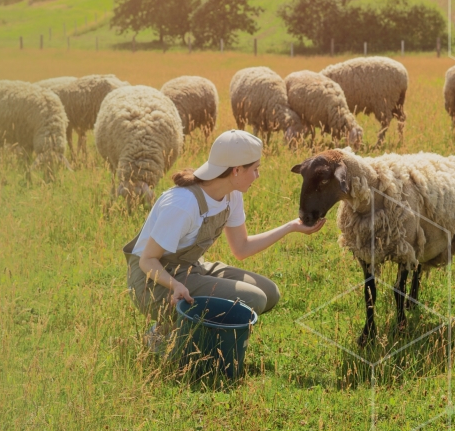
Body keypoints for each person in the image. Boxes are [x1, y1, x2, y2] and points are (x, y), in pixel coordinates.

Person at [123, 129, 324, 354]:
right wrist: (176, 285)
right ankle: (169, 337)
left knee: (269, 292)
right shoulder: (183, 204)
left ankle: (195, 334)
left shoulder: (231, 195)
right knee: (253, 299)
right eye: (255, 169)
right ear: (236, 170)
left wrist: (291, 227)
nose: (258, 176)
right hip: (152, 283)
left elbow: (241, 248)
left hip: (188, 270)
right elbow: (147, 260)